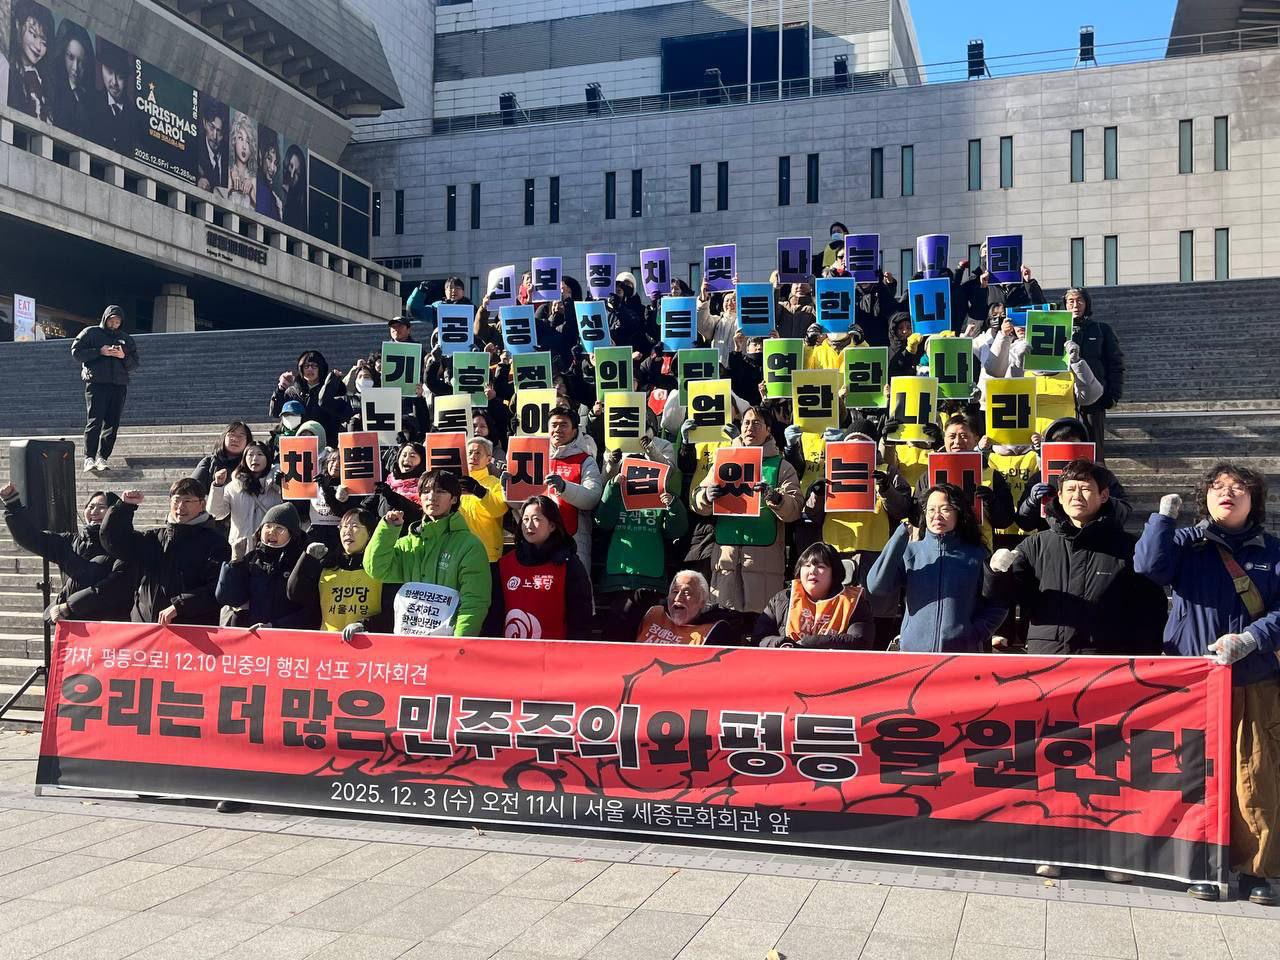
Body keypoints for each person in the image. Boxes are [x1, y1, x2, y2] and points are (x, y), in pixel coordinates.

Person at [1135, 463, 1280, 906]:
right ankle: (1200, 862)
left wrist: (1253, 638)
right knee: (1192, 771)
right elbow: (1148, 566)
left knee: (1253, 774)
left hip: (1251, 677)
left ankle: (1255, 869)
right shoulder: (1188, 542)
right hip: (1193, 680)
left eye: (1238, 488)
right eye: (1217, 487)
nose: (1227, 493)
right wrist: (1162, 520)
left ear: (1254, 500)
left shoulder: (1272, 550)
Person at [991, 460, 1162, 657]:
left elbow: (1149, 609)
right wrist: (996, 573)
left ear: (1104, 495)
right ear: (1060, 496)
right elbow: (1006, 596)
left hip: (1106, 657)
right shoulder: (1035, 545)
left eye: (1085, 489)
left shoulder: (1128, 547)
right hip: (1047, 656)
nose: (1077, 496)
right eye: (1070, 489)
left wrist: (1144, 658)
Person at [691, 405, 802, 615]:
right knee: (725, 623)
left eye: (757, 423)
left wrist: (775, 497)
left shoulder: (782, 466)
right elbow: (697, 502)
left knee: (761, 625)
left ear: (769, 430)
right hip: (726, 558)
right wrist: (705, 496)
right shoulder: (723, 461)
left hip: (764, 561)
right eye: (746, 423)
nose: (750, 427)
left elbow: (794, 509)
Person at [867, 485, 1005, 652]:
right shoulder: (911, 553)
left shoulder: (977, 555)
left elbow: (998, 604)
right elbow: (876, 586)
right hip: (914, 653)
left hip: (960, 655)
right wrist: (899, 537)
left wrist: (973, 635)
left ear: (959, 513)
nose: (937, 516)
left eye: (945, 509)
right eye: (931, 510)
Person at [363, 469, 491, 637]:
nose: (432, 497)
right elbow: (377, 569)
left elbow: (474, 601)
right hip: (411, 642)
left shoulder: (469, 546)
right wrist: (387, 530)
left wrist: (459, 644)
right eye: (426, 491)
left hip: (447, 645)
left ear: (454, 499)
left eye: (440, 491)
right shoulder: (408, 543)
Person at [101, 479, 230, 626]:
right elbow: (115, 543)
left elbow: (218, 588)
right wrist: (124, 507)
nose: (180, 506)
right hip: (145, 627)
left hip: (190, 629)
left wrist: (180, 606)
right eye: (176, 500)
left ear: (202, 504)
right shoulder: (154, 538)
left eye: (187, 501)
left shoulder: (215, 543)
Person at [1, 484, 132, 622]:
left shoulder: (125, 543)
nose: (94, 511)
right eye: (91, 506)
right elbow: (31, 538)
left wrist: (70, 606)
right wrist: (13, 504)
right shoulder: (69, 542)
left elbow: (115, 586)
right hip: (72, 621)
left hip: (111, 622)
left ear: (113, 512)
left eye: (101, 507)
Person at [595, 450, 689, 641]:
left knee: (647, 633)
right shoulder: (617, 495)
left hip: (651, 578)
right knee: (618, 633)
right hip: (619, 577)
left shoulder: (661, 496)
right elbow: (602, 521)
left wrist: (673, 505)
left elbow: (677, 530)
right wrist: (612, 488)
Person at [495, 496, 593, 640]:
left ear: (552, 525)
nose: (529, 525)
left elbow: (580, 617)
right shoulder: (505, 564)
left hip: (554, 650)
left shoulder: (569, 564)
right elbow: (495, 614)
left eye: (536, 519)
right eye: (525, 519)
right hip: (511, 650)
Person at [289, 508, 395, 640]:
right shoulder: (327, 566)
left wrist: (365, 625)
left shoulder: (382, 571)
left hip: (369, 646)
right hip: (329, 644)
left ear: (370, 533)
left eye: (355, 526)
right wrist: (307, 559)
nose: (347, 532)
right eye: (344, 527)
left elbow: (393, 613)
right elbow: (295, 594)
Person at [753, 542, 874, 649]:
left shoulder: (853, 602)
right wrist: (783, 643)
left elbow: (861, 641)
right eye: (807, 565)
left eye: (821, 566)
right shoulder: (782, 599)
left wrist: (812, 643)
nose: (812, 571)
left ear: (834, 572)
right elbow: (760, 638)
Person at [215, 503, 316, 629]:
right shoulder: (252, 559)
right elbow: (228, 598)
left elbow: (310, 611)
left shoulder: (302, 561)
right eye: (268, 526)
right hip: (253, 632)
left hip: (288, 634)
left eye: (279, 528)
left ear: (292, 534)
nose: (272, 532)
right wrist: (235, 563)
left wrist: (275, 626)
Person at [70, 304, 138, 473]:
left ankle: (103, 457)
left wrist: (123, 356)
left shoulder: (126, 339)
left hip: (119, 385)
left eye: (117, 322)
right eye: (111, 321)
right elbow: (76, 352)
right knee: (95, 421)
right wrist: (99, 351)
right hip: (97, 383)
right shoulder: (91, 333)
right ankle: (89, 457)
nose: (114, 324)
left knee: (112, 423)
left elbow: (134, 363)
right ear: (105, 319)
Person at [1066, 288, 1124, 462]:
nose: (1075, 305)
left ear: (1087, 304)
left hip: (1094, 397)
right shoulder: (1059, 329)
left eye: (1079, 301)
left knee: (1094, 450)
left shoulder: (1101, 329)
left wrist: (1113, 395)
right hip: (1063, 397)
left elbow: (1115, 363)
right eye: (1071, 301)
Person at [544, 406, 603, 574]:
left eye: (564, 425)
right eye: (554, 425)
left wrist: (564, 487)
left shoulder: (585, 460)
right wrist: (508, 488)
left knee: (576, 586)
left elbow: (592, 497)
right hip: (540, 538)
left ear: (575, 431)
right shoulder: (536, 457)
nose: (557, 429)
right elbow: (518, 502)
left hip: (575, 538)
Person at [207, 441, 282, 561]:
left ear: (268, 458)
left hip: (270, 547)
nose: (255, 458)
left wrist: (281, 486)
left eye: (260, 454)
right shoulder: (234, 486)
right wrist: (218, 486)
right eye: (250, 454)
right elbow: (216, 513)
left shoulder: (277, 485)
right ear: (244, 458)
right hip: (240, 549)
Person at [268, 349, 348, 446]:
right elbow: (276, 412)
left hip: (325, 443)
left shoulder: (331, 390)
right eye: (306, 366)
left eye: (314, 366)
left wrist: (334, 383)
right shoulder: (292, 392)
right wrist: (281, 388)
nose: (310, 369)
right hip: (296, 443)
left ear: (321, 368)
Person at [634, 571, 735, 645]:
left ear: (702, 601)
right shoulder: (652, 613)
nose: (678, 598)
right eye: (675, 592)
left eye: (687, 593)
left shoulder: (714, 631)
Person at [46, 18, 92, 138]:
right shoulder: (52, 89)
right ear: (62, 55)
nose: (75, 67)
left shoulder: (91, 99)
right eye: (71, 57)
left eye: (81, 61)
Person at [8, 0, 53, 121]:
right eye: (33, 34)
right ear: (18, 25)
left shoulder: (45, 80)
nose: (38, 47)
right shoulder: (7, 68)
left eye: (44, 42)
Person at [89, 37, 129, 154]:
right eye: (110, 72)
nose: (114, 82)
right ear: (101, 68)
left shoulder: (135, 114)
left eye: (120, 76)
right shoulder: (90, 103)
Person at [192, 421, 253, 493]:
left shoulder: (252, 464)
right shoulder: (208, 462)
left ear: (248, 441)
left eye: (240, 436)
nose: (235, 439)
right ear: (223, 438)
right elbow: (192, 490)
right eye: (231, 434)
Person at [219, 111, 256, 210]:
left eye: (248, 141)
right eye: (240, 138)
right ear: (234, 140)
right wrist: (230, 185)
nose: (244, 146)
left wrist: (252, 193)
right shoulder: (225, 171)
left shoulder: (254, 181)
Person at [195, 100, 227, 193]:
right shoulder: (195, 146)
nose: (214, 136)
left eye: (219, 131)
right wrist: (197, 181)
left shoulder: (228, 153)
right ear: (205, 123)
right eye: (211, 127)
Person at [255, 125, 283, 218]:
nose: (272, 168)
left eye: (275, 163)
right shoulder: (260, 189)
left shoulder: (272, 196)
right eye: (269, 159)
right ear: (260, 155)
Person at [281, 143, 307, 230]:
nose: (292, 175)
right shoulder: (275, 186)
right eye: (291, 166)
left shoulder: (296, 206)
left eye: (297, 173)